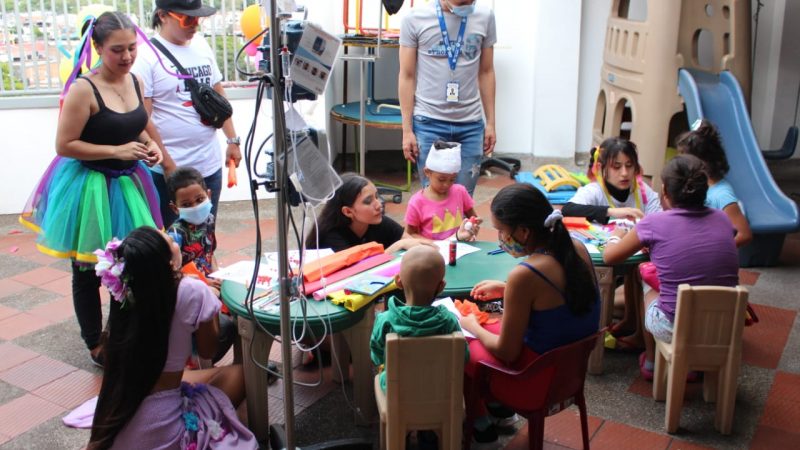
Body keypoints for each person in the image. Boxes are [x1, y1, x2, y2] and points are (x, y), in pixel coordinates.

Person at [20, 11, 163, 367]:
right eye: (118, 50)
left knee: (126, 264)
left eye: (132, 48)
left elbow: (137, 125)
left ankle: (119, 334)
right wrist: (115, 151)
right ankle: (93, 341)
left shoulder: (136, 82)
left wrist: (150, 145)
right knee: (86, 270)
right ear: (97, 47)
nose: (128, 56)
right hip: (88, 188)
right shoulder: (83, 89)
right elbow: (65, 144)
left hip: (127, 185)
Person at [88, 227, 257, 449]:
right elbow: (208, 351)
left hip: (120, 416)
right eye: (171, 241)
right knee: (243, 374)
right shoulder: (192, 290)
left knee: (193, 377)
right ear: (168, 262)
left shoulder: (126, 293)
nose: (175, 241)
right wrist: (210, 304)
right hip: (164, 426)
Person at [459, 183, 600, 443]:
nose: (500, 238)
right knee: (489, 329)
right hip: (570, 375)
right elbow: (563, 291)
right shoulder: (577, 249)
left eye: (501, 230)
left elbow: (507, 351)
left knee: (463, 344)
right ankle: (494, 411)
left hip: (534, 383)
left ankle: (479, 421)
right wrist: (505, 289)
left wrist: (470, 324)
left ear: (524, 231)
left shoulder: (525, 275)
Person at [602, 155, 739, 381]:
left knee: (643, 272)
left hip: (674, 326)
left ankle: (652, 361)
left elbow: (610, 257)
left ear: (665, 192)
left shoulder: (653, 224)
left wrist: (616, 237)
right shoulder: (723, 219)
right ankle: (695, 364)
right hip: (721, 326)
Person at [132, 0, 242, 227]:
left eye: (198, 18)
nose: (195, 25)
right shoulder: (146, 57)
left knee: (206, 233)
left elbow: (218, 96)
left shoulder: (201, 45)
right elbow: (144, 120)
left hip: (208, 167)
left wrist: (233, 140)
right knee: (172, 240)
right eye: (187, 18)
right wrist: (168, 166)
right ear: (163, 15)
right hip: (170, 171)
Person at [399, 0, 497, 196]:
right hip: (429, 123)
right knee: (433, 201)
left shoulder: (485, 16)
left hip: (470, 124)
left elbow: (486, 72)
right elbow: (406, 76)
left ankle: (460, 229)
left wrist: (491, 123)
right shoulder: (414, 18)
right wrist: (407, 130)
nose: (469, 3)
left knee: (463, 199)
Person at [370, 245, 467, 391]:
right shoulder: (448, 320)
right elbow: (463, 356)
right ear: (441, 286)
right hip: (439, 389)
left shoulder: (385, 320)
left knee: (381, 375)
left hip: (397, 390)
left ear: (398, 281)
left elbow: (376, 355)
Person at [166, 167, 235, 364]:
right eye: (187, 204)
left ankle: (244, 362)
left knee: (242, 312)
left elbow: (209, 252)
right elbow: (172, 273)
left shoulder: (210, 220)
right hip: (190, 293)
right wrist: (203, 287)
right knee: (213, 331)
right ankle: (203, 365)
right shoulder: (175, 235)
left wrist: (217, 273)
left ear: (209, 195)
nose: (195, 207)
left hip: (211, 285)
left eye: (199, 200)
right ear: (175, 208)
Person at [676, 119, 753, 248]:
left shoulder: (721, 195)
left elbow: (744, 234)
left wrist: (716, 252)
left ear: (701, 162)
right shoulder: (698, 186)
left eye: (684, 159)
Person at [306, 173, 427, 253]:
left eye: (376, 196)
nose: (379, 204)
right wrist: (398, 245)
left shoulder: (378, 221)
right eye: (368, 201)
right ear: (348, 211)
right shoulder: (330, 238)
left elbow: (410, 242)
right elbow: (359, 274)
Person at [562, 137, 662, 223]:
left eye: (629, 165)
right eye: (616, 167)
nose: (624, 173)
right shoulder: (595, 191)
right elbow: (568, 209)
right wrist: (611, 212)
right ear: (601, 168)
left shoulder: (643, 191)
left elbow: (660, 221)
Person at [405, 140, 482, 241]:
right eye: (441, 179)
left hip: (460, 247)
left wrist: (472, 225)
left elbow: (472, 217)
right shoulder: (417, 202)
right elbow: (410, 234)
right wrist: (434, 245)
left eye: (452, 179)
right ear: (427, 172)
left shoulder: (460, 191)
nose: (446, 184)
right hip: (433, 251)